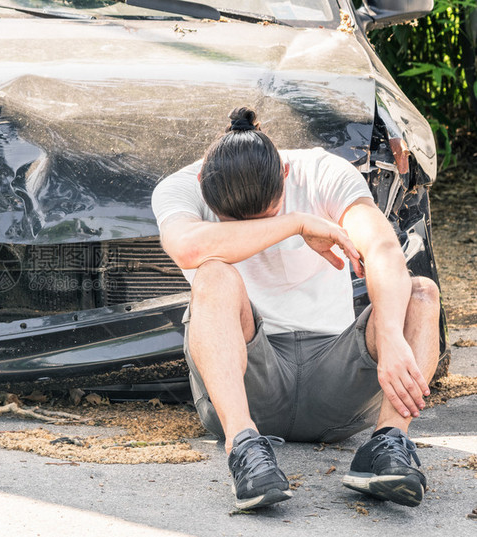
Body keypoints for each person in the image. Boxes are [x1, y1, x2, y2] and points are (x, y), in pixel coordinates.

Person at [151, 107, 440, 510]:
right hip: (250, 384)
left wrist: (390, 333)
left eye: (267, 216)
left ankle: (387, 446)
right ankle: (246, 450)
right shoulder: (179, 187)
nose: (253, 232)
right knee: (213, 274)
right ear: (203, 183)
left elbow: (382, 248)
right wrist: (295, 223)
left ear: (284, 173)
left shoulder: (322, 172)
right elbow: (187, 247)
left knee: (421, 292)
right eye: (235, 224)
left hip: (335, 384)